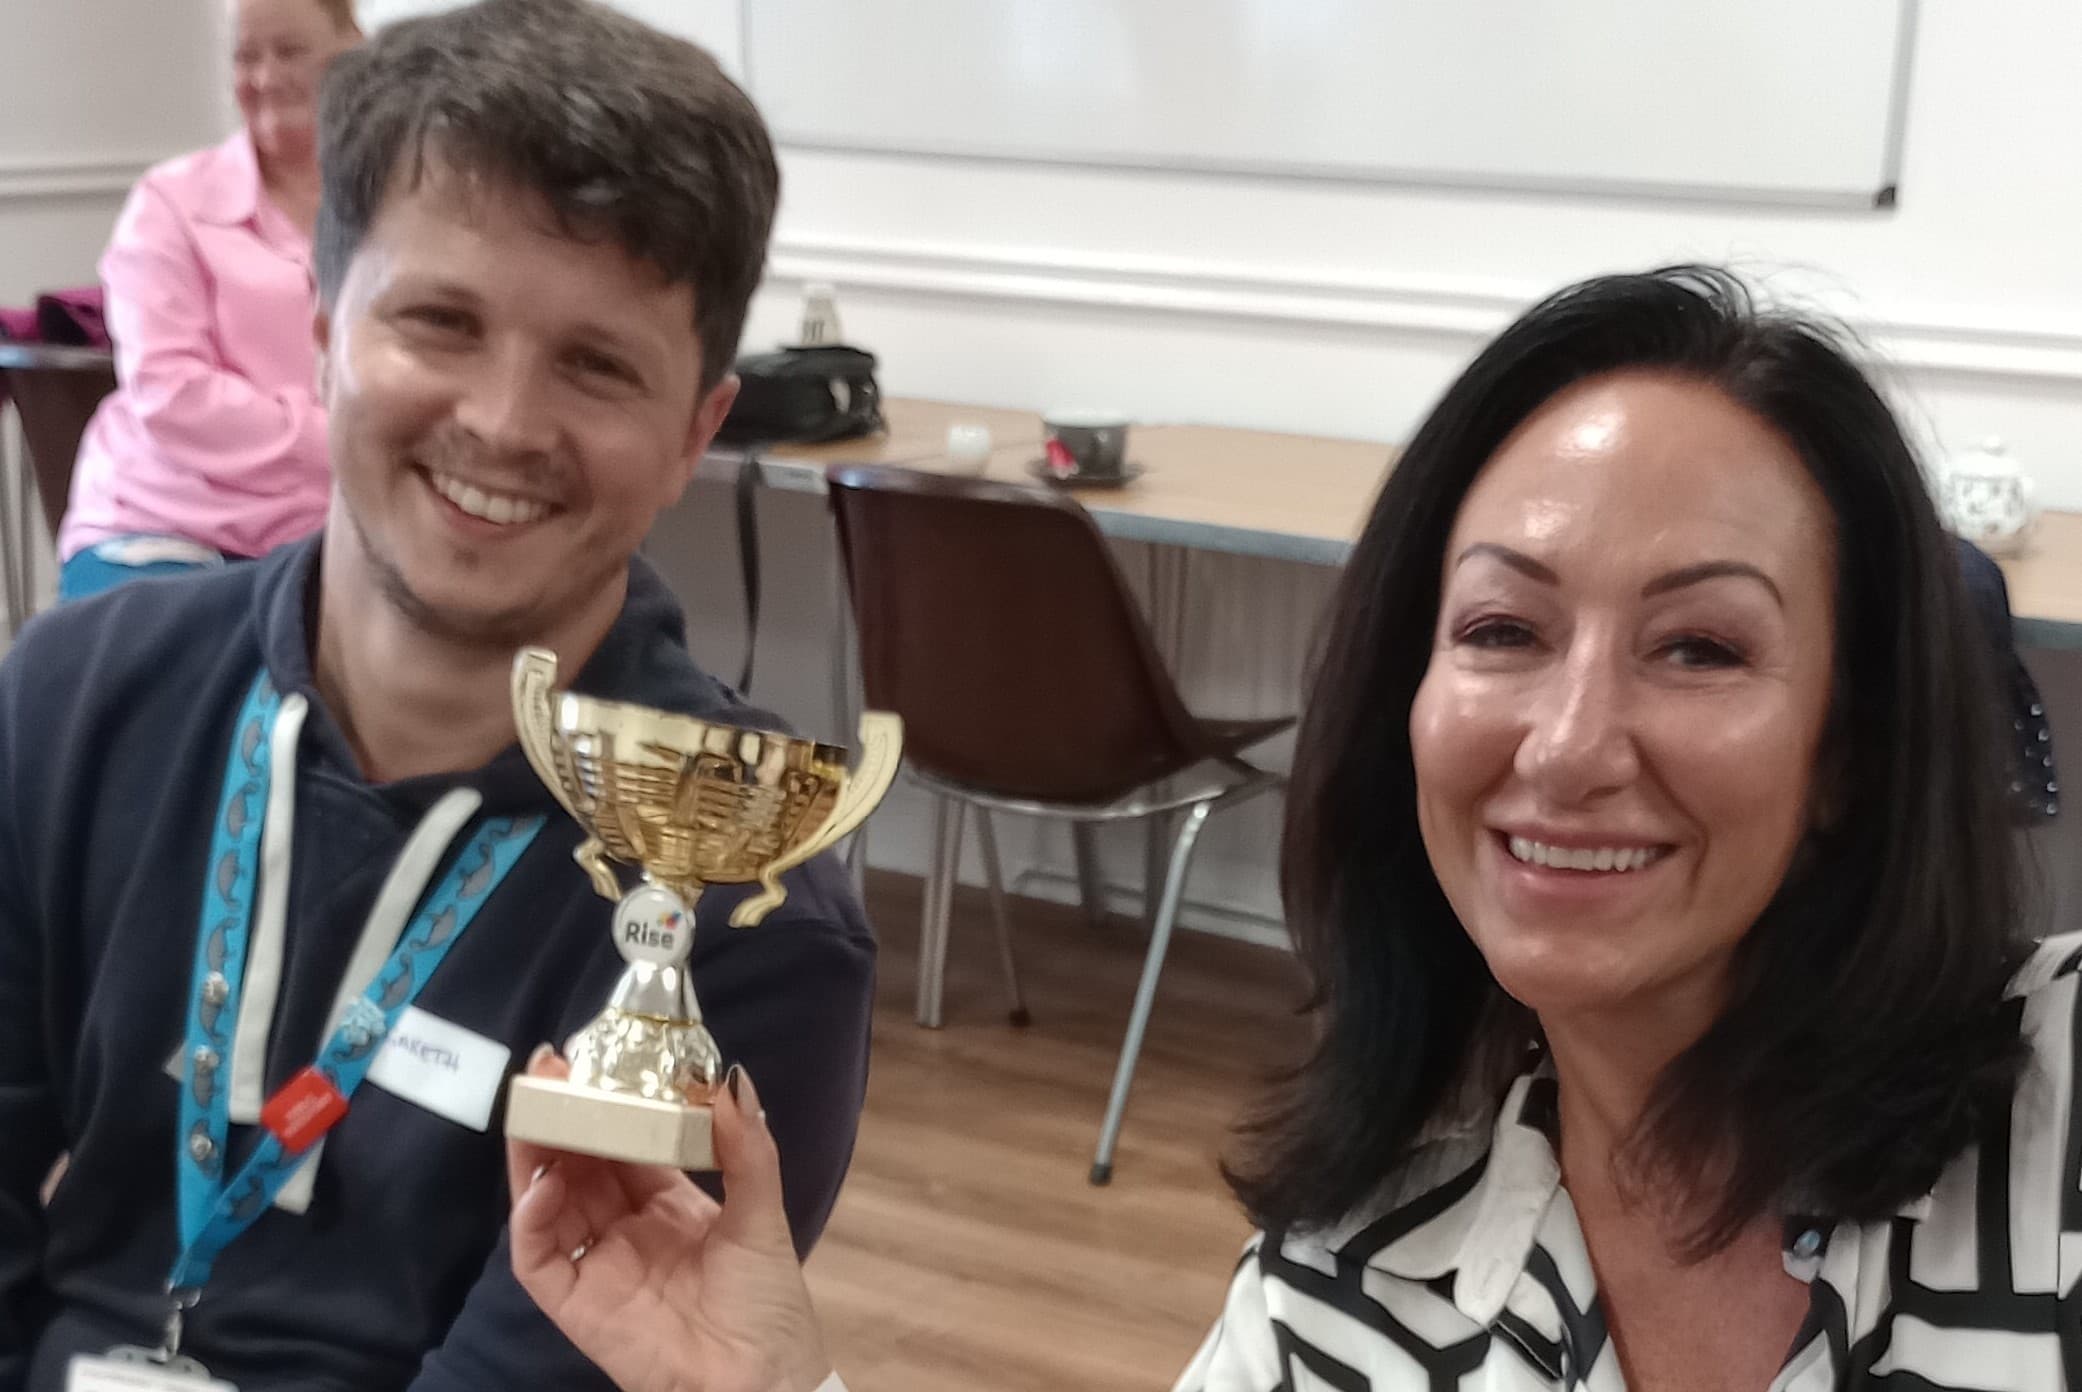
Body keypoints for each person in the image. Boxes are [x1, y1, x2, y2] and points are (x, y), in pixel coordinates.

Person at [501, 267, 2082, 1390]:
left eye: (1700, 648)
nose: (1568, 743)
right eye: (1500, 631)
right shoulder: (1345, 1293)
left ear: (1854, 748)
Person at [0, 2, 877, 1388]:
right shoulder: (69, 701)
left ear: (694, 435)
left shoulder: (739, 900)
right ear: (321, 331)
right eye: (439, 321)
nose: (504, 421)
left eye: (596, 364)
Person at [54, 0, 360, 601]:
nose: (266, 77)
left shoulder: (390, 203)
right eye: (247, 57)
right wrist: (343, 438)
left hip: (336, 533)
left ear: (352, 50)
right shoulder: (169, 202)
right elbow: (171, 394)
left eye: (291, 51)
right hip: (163, 522)